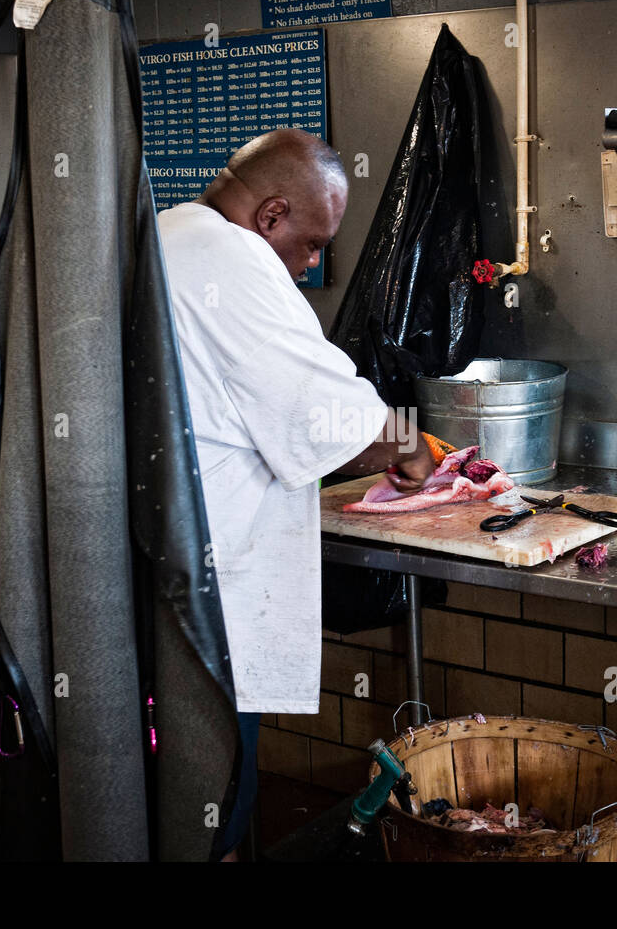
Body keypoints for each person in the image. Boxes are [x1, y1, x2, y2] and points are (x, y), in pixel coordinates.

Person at [156, 129, 435, 860]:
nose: (312, 264)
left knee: (179, 799)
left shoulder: (167, 234)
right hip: (200, 602)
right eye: (312, 245)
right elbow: (323, 409)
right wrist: (411, 445)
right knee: (210, 797)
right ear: (272, 215)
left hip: (160, 587)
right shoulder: (229, 256)